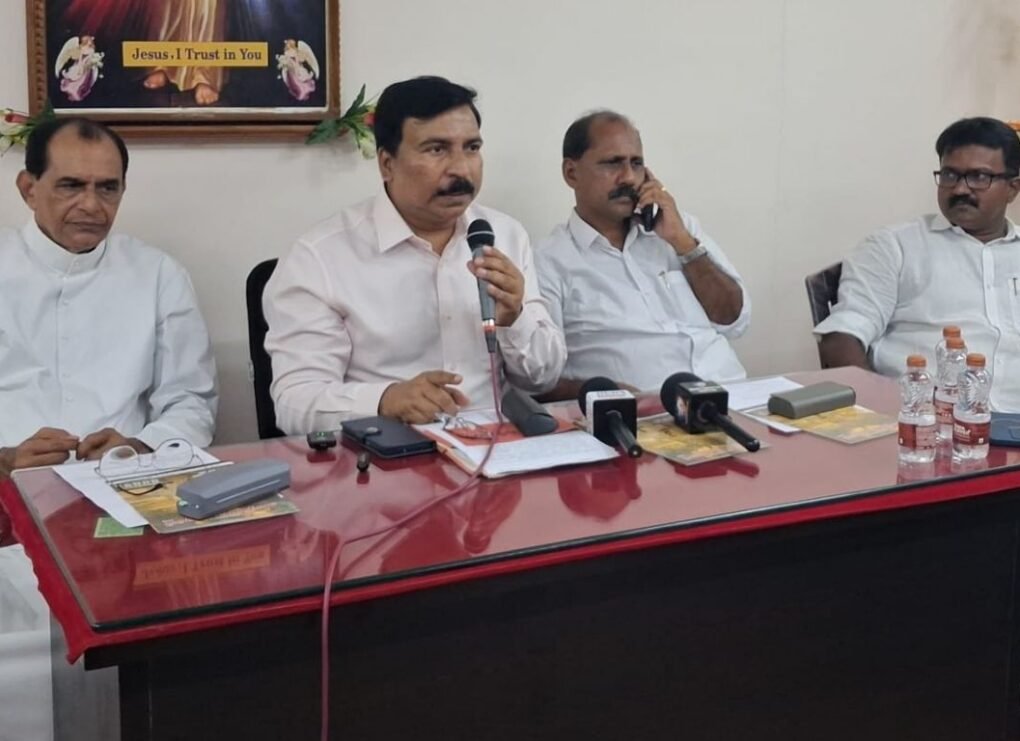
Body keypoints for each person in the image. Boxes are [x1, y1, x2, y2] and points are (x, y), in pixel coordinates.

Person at [0, 117, 217, 740]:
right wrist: (6, 459)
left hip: (123, 505)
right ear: (28, 188)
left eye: (108, 188)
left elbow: (193, 401)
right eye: (71, 185)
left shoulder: (158, 274)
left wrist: (141, 446)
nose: (92, 206)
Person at [264, 76, 566, 432]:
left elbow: (543, 378)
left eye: (471, 147)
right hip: (385, 454)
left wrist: (515, 320)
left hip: (499, 448)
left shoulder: (505, 235)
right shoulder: (319, 258)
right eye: (436, 149)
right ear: (387, 164)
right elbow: (294, 404)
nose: (461, 168)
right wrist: (384, 400)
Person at [535, 111, 750, 400]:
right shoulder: (549, 261)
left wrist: (684, 245)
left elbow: (734, 320)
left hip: (734, 395)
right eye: (613, 163)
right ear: (571, 173)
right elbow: (537, 379)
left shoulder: (679, 230)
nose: (628, 177)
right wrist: (604, 394)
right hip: (647, 416)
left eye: (636, 164)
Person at [814, 116, 1020, 410]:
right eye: (950, 175)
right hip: (925, 421)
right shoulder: (895, 246)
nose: (960, 189)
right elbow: (842, 337)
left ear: (1013, 188)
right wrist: (876, 413)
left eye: (979, 177)